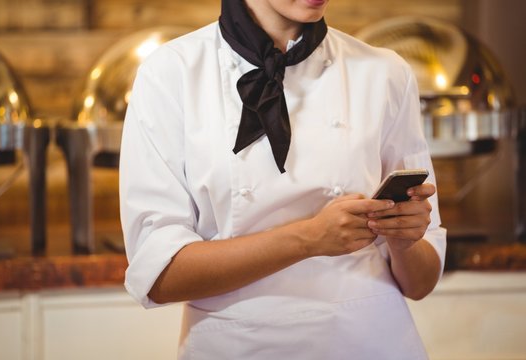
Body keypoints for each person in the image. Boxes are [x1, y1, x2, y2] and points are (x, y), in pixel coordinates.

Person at [119, 0, 446, 358]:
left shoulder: (385, 72)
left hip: (372, 338)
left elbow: (420, 283)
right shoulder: (172, 73)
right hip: (236, 343)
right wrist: (309, 238)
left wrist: (404, 240)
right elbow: (161, 276)